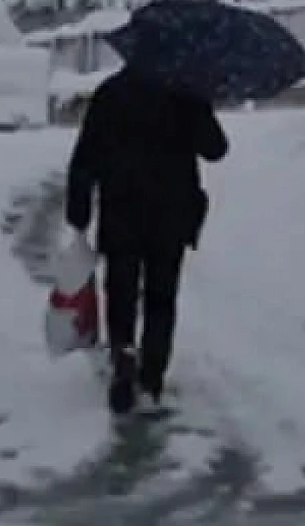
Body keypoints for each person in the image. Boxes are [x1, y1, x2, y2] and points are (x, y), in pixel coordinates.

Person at [65, 64, 228, 415]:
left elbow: (85, 158)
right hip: (171, 215)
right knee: (161, 295)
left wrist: (78, 213)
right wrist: (201, 106)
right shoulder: (186, 94)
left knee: (121, 289)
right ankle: (152, 374)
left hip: (121, 211)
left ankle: (123, 353)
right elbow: (216, 149)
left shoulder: (110, 94)